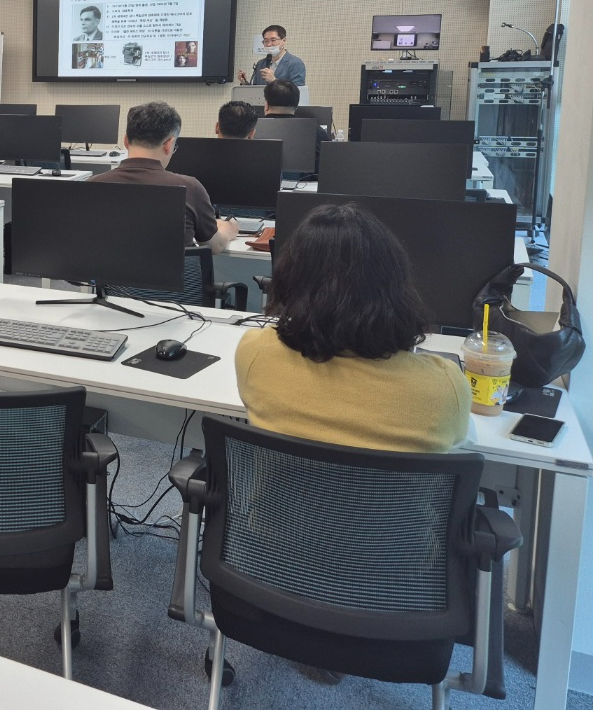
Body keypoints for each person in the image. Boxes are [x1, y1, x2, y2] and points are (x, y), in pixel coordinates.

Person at [236, 203, 470, 452]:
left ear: (289, 280)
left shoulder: (255, 353)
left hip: (283, 492)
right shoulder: (446, 388)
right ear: (397, 288)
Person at [90, 102, 238, 253]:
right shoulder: (190, 188)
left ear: (126, 141)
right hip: (176, 277)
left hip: (106, 277)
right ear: (169, 144)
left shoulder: (92, 185)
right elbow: (214, 246)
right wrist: (228, 229)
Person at [238, 24, 306, 85]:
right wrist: (245, 83)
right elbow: (257, 90)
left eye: (273, 40)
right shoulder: (261, 63)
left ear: (284, 41)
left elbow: (297, 91)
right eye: (266, 41)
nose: (269, 44)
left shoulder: (295, 63)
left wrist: (274, 80)